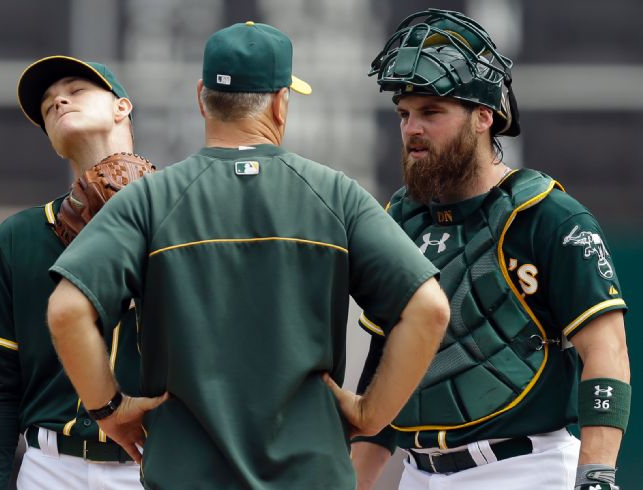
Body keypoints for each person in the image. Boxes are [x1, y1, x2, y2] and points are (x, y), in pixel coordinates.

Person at [45, 21, 450, 490]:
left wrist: (109, 410)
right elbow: (429, 308)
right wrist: (372, 413)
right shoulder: (334, 194)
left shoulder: (151, 198)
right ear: (281, 103)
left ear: (202, 97)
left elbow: (67, 311)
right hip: (309, 476)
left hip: (185, 476)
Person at [352, 9, 630, 490]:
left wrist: (597, 475)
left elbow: (607, 349)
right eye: (404, 113)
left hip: (525, 470)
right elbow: (380, 372)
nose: (412, 128)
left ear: (485, 117)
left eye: (431, 112)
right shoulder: (397, 221)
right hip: (419, 475)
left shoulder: (549, 217)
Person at [0, 55, 153, 489]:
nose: (58, 100)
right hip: (50, 468)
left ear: (121, 106)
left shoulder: (183, 219)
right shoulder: (22, 236)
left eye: (77, 88)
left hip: (154, 466)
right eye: (47, 103)